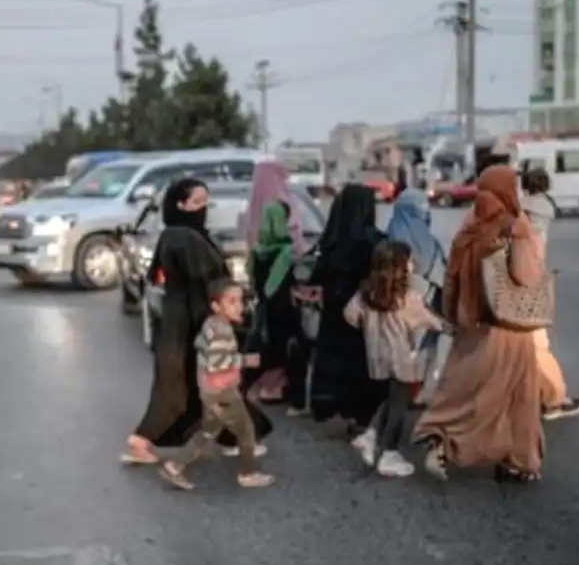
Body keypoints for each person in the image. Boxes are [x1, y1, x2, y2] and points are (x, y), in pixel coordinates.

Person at [121, 178, 273, 464]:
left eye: (206, 202)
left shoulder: (175, 235)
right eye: (197, 203)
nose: (203, 209)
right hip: (190, 325)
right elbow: (208, 282)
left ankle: (235, 438)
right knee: (182, 389)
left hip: (182, 322)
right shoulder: (186, 238)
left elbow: (157, 276)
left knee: (201, 386)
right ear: (180, 205)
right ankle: (140, 441)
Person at [413, 165, 545, 483]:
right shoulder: (514, 225)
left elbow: (451, 277)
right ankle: (515, 459)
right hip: (507, 326)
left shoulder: (469, 225)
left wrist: (453, 315)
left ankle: (439, 434)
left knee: (461, 387)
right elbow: (525, 275)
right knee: (516, 394)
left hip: (469, 321)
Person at [158, 279, 276, 490]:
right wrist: (244, 360)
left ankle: (175, 466)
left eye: (240, 300)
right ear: (216, 306)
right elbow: (217, 363)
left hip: (209, 391)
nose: (239, 306)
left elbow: (201, 348)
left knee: (208, 431)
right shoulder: (222, 331)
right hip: (223, 392)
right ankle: (249, 473)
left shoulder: (210, 324)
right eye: (231, 301)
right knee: (246, 429)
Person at [343, 240, 444, 477]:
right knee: (399, 404)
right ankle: (389, 452)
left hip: (377, 356)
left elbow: (349, 315)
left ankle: (371, 435)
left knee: (391, 397)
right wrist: (448, 327)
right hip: (403, 358)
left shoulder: (366, 293)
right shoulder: (407, 297)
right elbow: (429, 320)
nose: (412, 264)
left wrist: (368, 327)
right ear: (400, 266)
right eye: (408, 260)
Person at [308, 184, 388, 439]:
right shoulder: (375, 240)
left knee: (336, 360)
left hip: (334, 312)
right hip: (366, 314)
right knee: (364, 363)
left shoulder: (332, 239)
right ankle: (362, 417)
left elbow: (316, 275)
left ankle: (336, 408)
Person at [242, 161, 312, 410]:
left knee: (267, 336)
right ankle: (286, 389)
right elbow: (294, 244)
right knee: (290, 341)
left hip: (264, 293)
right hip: (283, 297)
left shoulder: (254, 209)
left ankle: (263, 384)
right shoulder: (282, 203)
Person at [521, 167, 579, 420]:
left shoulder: (518, 211)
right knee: (537, 344)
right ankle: (554, 400)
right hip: (532, 280)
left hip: (519, 282)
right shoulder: (546, 209)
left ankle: (546, 398)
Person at [384, 189, 447, 406]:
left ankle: (402, 393)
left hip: (396, 304)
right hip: (425, 305)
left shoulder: (390, 235)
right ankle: (419, 393)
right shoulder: (429, 241)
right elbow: (441, 275)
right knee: (424, 347)